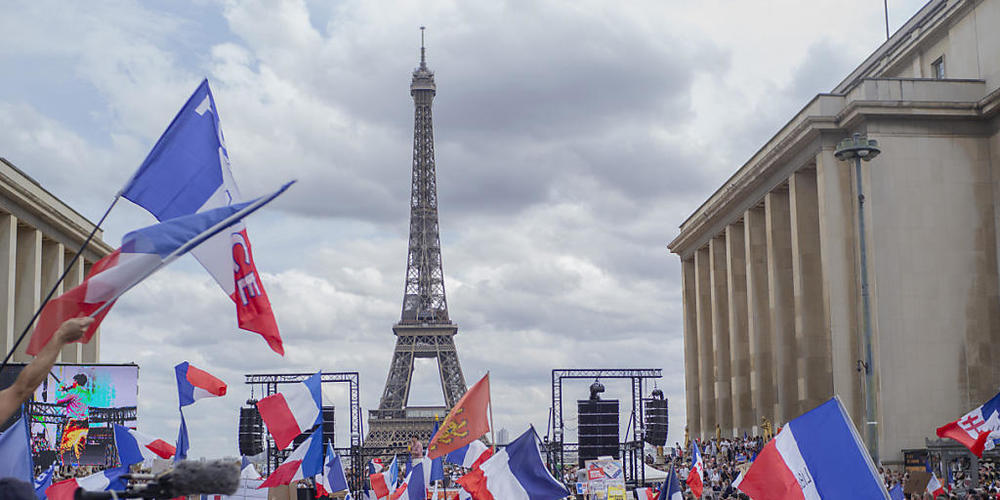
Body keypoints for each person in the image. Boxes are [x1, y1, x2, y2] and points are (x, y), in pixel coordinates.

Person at [0, 317, 93, 423]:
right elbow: (22, 389)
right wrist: (60, 336)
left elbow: (58, 400)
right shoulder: (86, 393)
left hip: (74, 423)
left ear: (76, 382)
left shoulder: (74, 391)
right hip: (84, 424)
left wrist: (61, 390)